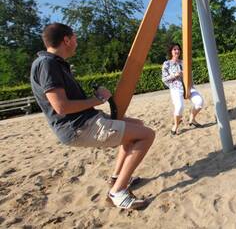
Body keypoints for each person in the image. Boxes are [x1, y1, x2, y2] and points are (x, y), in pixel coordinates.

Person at [30, 23, 155, 209]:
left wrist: (95, 100)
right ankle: (117, 193)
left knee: (138, 125)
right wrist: (96, 100)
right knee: (147, 135)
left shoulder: (53, 63)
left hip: (85, 121)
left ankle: (116, 178)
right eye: (75, 38)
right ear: (66, 40)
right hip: (79, 127)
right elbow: (61, 106)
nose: (77, 42)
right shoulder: (47, 64)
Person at [162, 42, 204, 135]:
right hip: (176, 88)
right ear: (171, 51)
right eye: (174, 49)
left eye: (178, 49)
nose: (177, 51)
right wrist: (175, 75)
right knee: (179, 107)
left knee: (199, 102)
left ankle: (192, 119)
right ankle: (176, 126)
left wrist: (191, 84)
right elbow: (164, 79)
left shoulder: (184, 62)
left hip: (188, 86)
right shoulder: (167, 64)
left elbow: (190, 75)